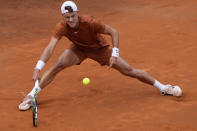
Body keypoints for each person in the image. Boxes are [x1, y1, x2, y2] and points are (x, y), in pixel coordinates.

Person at [18, 1, 182, 111]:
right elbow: (50, 47)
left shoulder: (90, 22)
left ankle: (163, 88)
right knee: (58, 66)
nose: (71, 20)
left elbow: (114, 32)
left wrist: (114, 54)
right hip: (79, 49)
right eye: (67, 18)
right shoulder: (61, 26)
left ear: (77, 13)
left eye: (73, 16)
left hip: (100, 50)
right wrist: (37, 67)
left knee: (130, 71)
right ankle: (32, 96)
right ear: (63, 17)